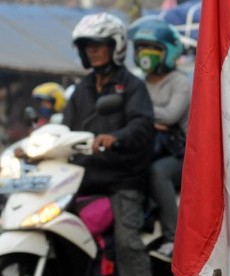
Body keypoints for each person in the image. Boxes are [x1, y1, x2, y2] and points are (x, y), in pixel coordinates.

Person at [62, 12, 153, 276]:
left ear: (115, 46)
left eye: (98, 45)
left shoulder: (132, 86)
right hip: (84, 176)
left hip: (122, 179)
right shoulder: (82, 89)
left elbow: (142, 124)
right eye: (87, 47)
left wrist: (116, 138)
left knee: (127, 243)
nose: (92, 52)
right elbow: (65, 127)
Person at [130, 19, 190, 263]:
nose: (146, 54)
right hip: (150, 147)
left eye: (153, 48)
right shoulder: (139, 83)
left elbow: (171, 115)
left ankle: (174, 237)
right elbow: (151, 115)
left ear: (169, 51)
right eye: (142, 47)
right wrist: (152, 116)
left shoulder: (180, 82)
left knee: (158, 173)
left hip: (181, 153)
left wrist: (141, 112)